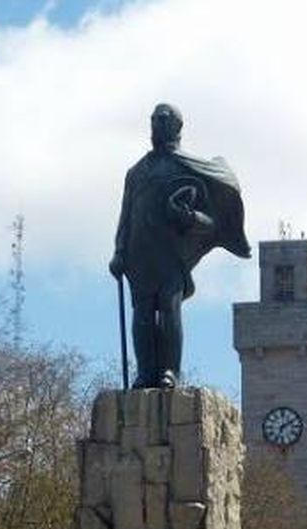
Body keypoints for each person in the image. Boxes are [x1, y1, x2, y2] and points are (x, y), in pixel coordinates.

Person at [110, 103, 251, 389]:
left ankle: (170, 371)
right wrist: (119, 250)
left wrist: (186, 215)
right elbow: (125, 215)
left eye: (163, 120)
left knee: (169, 308)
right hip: (139, 253)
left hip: (170, 253)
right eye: (153, 120)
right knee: (142, 314)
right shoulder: (136, 172)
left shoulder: (187, 167)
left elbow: (209, 223)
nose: (157, 125)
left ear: (177, 126)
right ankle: (145, 372)